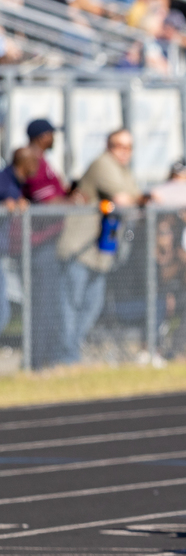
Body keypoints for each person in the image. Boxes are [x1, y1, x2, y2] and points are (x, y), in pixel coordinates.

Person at [57, 128, 143, 364]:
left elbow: (137, 197)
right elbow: (126, 200)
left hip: (101, 252)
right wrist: (140, 200)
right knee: (71, 305)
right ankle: (65, 358)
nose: (124, 152)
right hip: (79, 249)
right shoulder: (102, 164)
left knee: (91, 306)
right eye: (119, 146)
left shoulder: (123, 170)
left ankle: (71, 353)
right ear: (109, 145)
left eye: (129, 147)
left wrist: (141, 199)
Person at [22, 119, 69, 369]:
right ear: (41, 136)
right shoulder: (32, 161)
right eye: (51, 134)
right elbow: (46, 203)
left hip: (50, 242)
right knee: (42, 304)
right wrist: (72, 202)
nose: (54, 138)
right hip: (39, 244)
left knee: (51, 303)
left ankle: (47, 359)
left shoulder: (43, 161)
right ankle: (37, 361)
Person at [0, 148, 40, 337]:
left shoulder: (18, 182)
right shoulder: (5, 180)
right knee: (2, 311)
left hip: (5, 251)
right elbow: (7, 201)